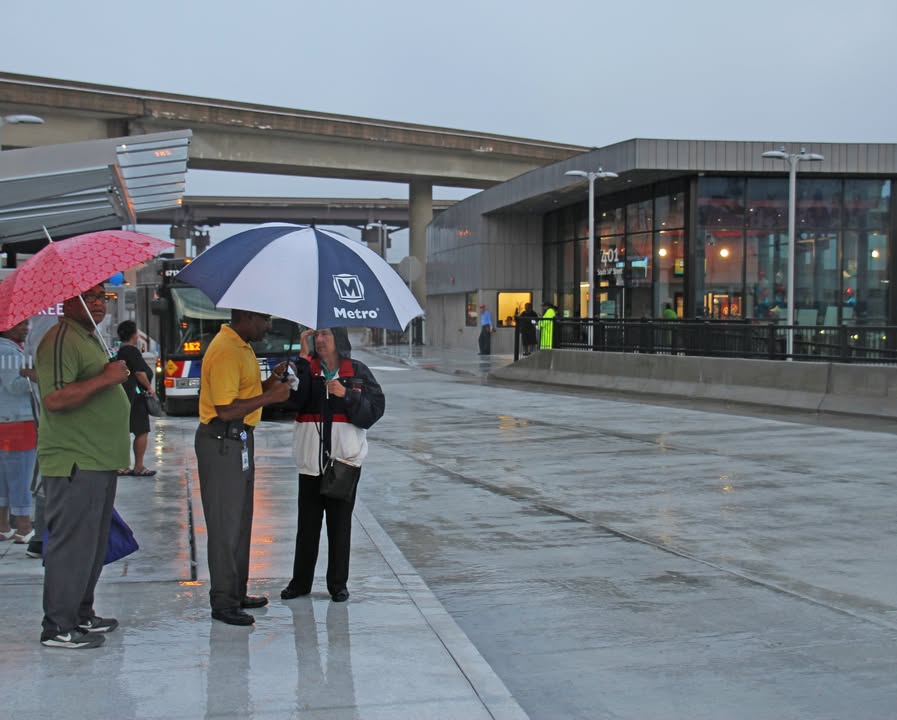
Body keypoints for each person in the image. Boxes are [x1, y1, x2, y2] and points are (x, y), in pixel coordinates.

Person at [35, 284, 131, 649]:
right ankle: (58, 625)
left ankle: (80, 612)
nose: (98, 304)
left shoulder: (88, 336)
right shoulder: (61, 338)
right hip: (75, 460)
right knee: (72, 544)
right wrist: (107, 378)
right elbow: (56, 398)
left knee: (91, 544)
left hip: (99, 459)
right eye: (89, 297)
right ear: (67, 300)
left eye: (102, 297)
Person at [195, 309, 292, 626]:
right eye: (265, 319)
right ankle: (223, 602)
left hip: (238, 440)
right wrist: (271, 398)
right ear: (247, 317)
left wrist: (268, 382)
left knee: (240, 521)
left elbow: (242, 394)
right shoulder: (225, 350)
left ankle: (236, 592)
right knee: (225, 524)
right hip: (222, 440)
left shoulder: (243, 346)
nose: (268, 325)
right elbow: (225, 409)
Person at [281, 327, 385, 603]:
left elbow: (374, 411)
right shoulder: (305, 369)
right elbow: (291, 402)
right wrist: (302, 362)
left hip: (343, 463)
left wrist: (346, 395)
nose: (320, 340)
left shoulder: (357, 371)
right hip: (310, 464)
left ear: (339, 339)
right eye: (316, 335)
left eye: (326, 334)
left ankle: (338, 584)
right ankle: (300, 583)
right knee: (307, 527)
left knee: (340, 526)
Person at [0, 319, 37, 545]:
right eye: (20, 324)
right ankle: (24, 527)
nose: (26, 328)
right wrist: (34, 376)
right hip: (19, 421)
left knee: (4, 477)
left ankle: (3, 525)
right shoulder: (8, 351)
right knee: (21, 476)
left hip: (5, 421)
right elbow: (13, 385)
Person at [115, 320, 157, 477]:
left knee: (125, 429)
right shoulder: (131, 351)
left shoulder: (121, 350)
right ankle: (137, 465)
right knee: (141, 430)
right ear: (134, 334)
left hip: (126, 396)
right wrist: (150, 388)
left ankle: (123, 465)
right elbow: (140, 372)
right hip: (136, 397)